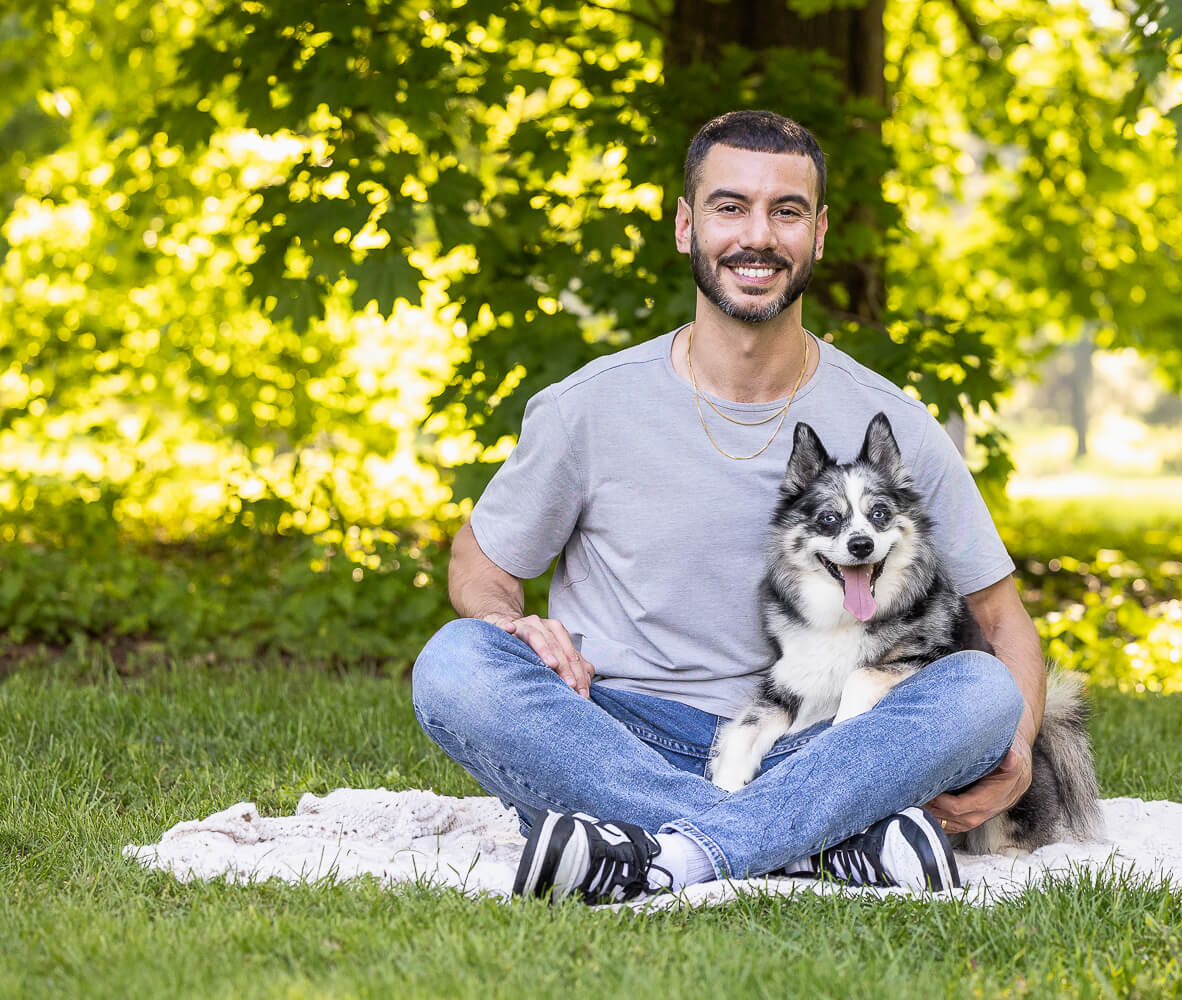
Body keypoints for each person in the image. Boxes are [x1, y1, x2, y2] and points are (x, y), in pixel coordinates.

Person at [411, 110, 1047, 904]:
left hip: (830, 742)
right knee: (457, 664)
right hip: (614, 735)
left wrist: (1017, 747)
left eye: (786, 212)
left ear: (817, 234)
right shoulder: (589, 407)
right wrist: (514, 623)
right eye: (729, 206)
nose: (758, 235)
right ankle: (819, 842)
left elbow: (1000, 616)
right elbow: (479, 563)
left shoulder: (896, 423)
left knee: (983, 694)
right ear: (685, 225)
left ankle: (659, 849)